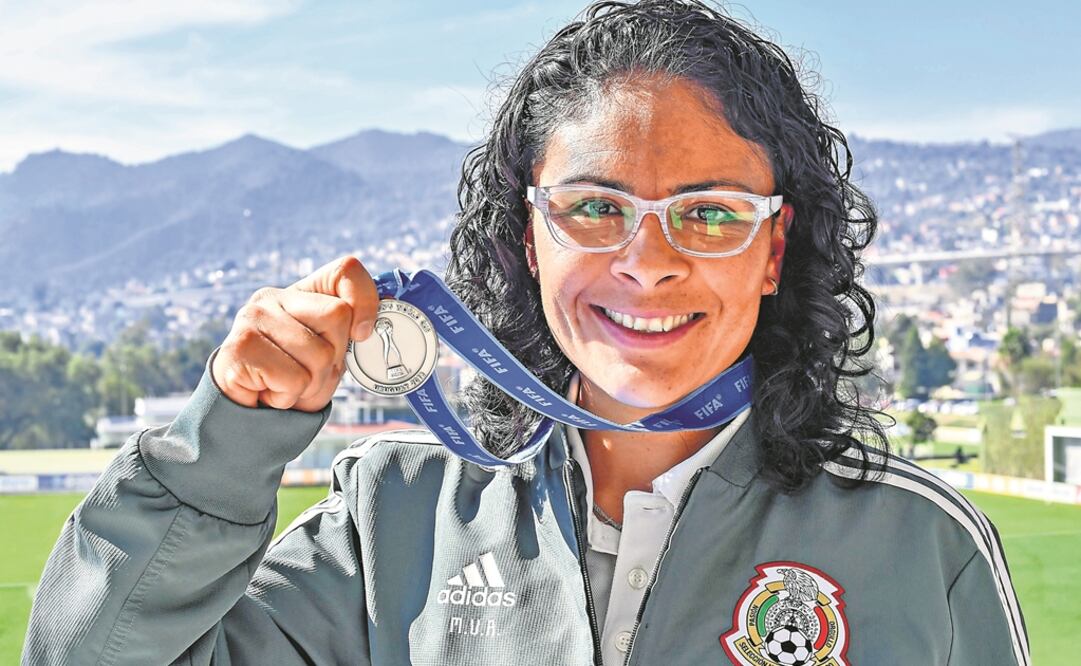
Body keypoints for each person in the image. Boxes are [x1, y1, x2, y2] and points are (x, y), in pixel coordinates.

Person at [23, 1, 1029, 664]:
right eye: (593, 208)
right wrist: (224, 447)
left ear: (773, 252)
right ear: (528, 240)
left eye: (710, 213)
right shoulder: (395, 523)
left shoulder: (918, 546)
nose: (647, 261)